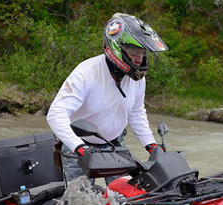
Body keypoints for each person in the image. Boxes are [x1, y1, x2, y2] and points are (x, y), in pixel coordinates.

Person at [46, 12, 169, 183]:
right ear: (117, 47)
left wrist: (152, 145)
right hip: (79, 147)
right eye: (134, 51)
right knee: (80, 202)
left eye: (143, 53)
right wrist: (80, 148)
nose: (139, 59)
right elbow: (56, 114)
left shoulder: (137, 79)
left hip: (114, 144)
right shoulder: (86, 73)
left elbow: (136, 113)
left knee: (126, 198)